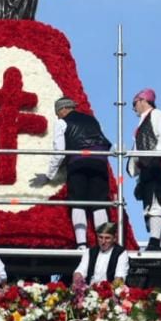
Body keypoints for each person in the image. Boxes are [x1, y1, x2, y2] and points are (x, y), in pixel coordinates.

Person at [32, 96, 112, 248]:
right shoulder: (92, 120)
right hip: (99, 163)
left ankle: (81, 243)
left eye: (57, 112)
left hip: (78, 163)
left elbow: (60, 152)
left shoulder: (62, 122)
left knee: (77, 202)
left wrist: (48, 175)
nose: (57, 115)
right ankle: (105, 244)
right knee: (100, 203)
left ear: (63, 109)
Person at [128, 87, 161, 251]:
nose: (134, 108)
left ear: (142, 100)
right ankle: (158, 241)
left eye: (135, 104)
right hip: (148, 166)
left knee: (155, 201)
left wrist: (155, 158)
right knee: (150, 203)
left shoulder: (156, 114)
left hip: (155, 166)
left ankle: (155, 242)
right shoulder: (144, 120)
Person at [72, 221, 129, 287]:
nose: (103, 242)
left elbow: (119, 278)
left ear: (114, 238)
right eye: (100, 237)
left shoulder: (121, 253)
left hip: (110, 292)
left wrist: (105, 292)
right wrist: (78, 284)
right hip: (90, 291)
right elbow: (79, 271)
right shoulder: (90, 252)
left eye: (107, 238)